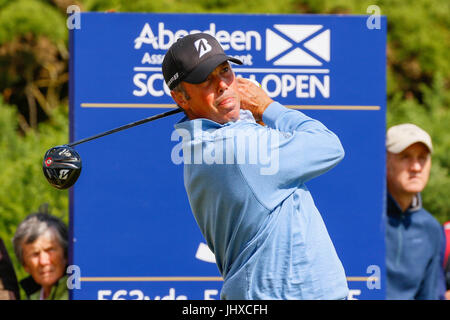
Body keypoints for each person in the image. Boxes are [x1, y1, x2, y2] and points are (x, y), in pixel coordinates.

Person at [163, 33, 349, 299]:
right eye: (206, 79)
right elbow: (329, 146)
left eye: (225, 70)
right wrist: (267, 106)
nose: (223, 85)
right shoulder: (238, 146)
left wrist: (250, 114)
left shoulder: (202, 142)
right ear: (181, 98)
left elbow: (244, 128)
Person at [385, 123, 446, 299]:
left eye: (422, 158)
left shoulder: (431, 228)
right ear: (386, 160)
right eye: (405, 157)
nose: (416, 167)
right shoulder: (365, 217)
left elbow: (430, 294)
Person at [12, 212, 68, 300]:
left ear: (65, 254)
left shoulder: (80, 291)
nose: (43, 261)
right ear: (25, 265)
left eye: (50, 250)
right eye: (35, 254)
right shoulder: (31, 296)